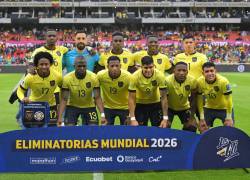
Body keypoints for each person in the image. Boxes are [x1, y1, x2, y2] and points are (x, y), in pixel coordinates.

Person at [57, 56, 107, 126]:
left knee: (93, 128)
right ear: (74, 66)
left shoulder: (93, 77)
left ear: (86, 66)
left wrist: (102, 115)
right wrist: (60, 117)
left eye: (84, 66)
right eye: (79, 66)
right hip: (72, 106)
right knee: (69, 128)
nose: (82, 68)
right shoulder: (67, 78)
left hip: (89, 107)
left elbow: (97, 97)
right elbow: (64, 99)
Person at [17, 52, 62, 127]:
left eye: (46, 64)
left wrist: (59, 102)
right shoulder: (30, 77)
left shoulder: (57, 76)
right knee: (34, 131)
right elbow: (20, 91)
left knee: (52, 130)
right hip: (34, 105)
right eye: (41, 64)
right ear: (37, 65)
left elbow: (63, 88)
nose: (44, 67)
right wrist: (23, 98)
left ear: (50, 64)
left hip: (51, 106)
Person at [128, 56, 169, 128]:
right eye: (146, 68)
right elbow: (131, 98)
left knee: (159, 129)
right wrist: (132, 118)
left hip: (155, 104)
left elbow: (164, 97)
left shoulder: (160, 76)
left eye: (151, 67)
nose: (148, 70)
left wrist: (165, 118)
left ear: (154, 66)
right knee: (140, 130)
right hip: (140, 105)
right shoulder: (134, 77)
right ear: (141, 67)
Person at [197, 62, 234, 133]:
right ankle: (206, 144)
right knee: (203, 129)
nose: (210, 73)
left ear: (215, 71)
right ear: (203, 73)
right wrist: (201, 118)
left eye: (212, 71)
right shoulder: (199, 81)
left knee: (229, 130)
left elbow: (228, 99)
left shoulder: (223, 81)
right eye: (207, 71)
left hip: (224, 108)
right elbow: (199, 100)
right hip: (209, 108)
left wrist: (229, 117)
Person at [97, 56, 131, 125]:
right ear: (107, 66)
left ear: (120, 66)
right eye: (112, 66)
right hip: (108, 108)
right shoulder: (100, 76)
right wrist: (102, 115)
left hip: (125, 107)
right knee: (106, 132)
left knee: (126, 133)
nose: (114, 68)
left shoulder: (128, 77)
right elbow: (97, 96)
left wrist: (130, 115)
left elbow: (133, 97)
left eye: (117, 66)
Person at [165, 62, 198, 132]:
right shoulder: (167, 81)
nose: (181, 73)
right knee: (164, 126)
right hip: (169, 108)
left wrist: (191, 117)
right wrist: (165, 118)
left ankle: (185, 141)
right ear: (174, 71)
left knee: (192, 126)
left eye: (184, 70)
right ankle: (169, 141)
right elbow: (164, 100)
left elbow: (194, 100)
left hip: (184, 108)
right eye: (179, 70)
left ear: (187, 72)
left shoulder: (192, 81)